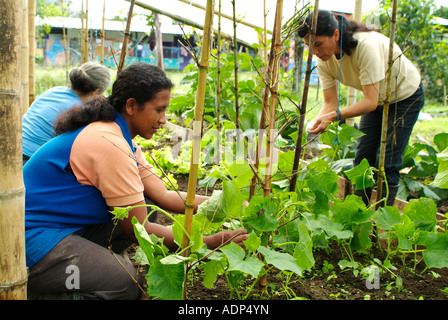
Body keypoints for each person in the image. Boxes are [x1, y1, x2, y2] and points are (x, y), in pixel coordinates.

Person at [24, 62, 248, 300]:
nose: (163, 120)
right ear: (131, 106)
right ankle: (35, 291)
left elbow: (164, 195)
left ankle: (83, 271)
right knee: (127, 284)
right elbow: (139, 231)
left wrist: (228, 204)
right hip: (28, 239)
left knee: (148, 203)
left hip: (62, 227)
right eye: (159, 110)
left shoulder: (120, 137)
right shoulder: (109, 143)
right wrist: (207, 242)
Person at [297, 10, 424, 207]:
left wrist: (335, 116)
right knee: (362, 157)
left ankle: (383, 223)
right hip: (376, 100)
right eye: (309, 46)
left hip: (404, 96)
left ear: (336, 35)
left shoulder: (366, 46)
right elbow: (330, 102)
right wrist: (314, 123)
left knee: (388, 163)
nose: (314, 51)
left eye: (318, 44)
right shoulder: (323, 60)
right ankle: (357, 215)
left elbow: (370, 102)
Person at [22, 62, 111, 165]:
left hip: (10, 148)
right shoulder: (80, 111)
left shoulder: (53, 91)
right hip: (30, 161)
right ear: (96, 92)